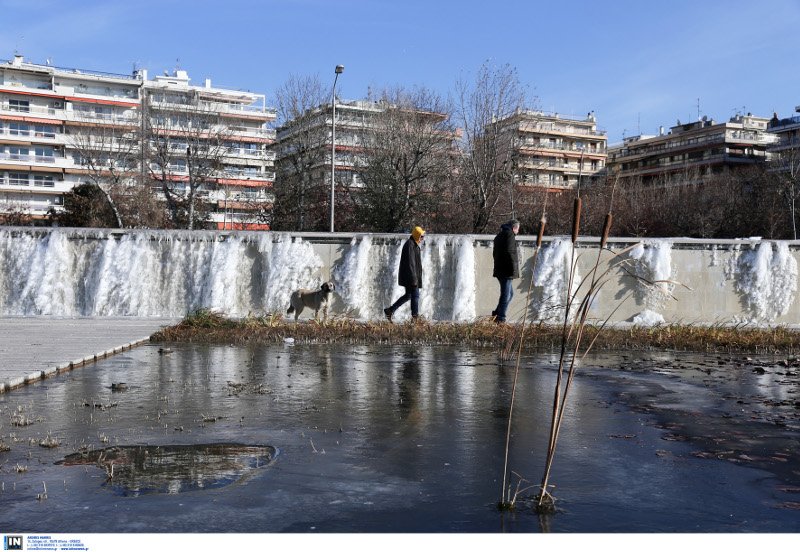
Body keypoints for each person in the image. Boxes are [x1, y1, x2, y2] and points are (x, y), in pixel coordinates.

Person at [384, 226, 425, 323]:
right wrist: (414, 279)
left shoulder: (413, 245)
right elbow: (411, 263)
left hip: (411, 276)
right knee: (415, 296)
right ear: (417, 235)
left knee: (409, 295)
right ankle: (415, 318)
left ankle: (390, 310)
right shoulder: (410, 245)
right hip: (411, 277)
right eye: (421, 236)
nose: (423, 238)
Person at [492, 219, 520, 323]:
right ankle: (501, 318)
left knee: (509, 294)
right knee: (506, 294)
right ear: (514, 228)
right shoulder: (510, 235)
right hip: (506, 270)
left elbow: (495, 253)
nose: (518, 232)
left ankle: (496, 313)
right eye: (517, 229)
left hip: (500, 268)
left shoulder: (499, 235)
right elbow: (510, 252)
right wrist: (513, 269)